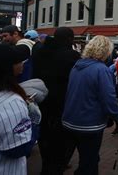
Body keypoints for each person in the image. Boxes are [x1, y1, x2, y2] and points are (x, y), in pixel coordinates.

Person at [62, 35, 118, 175]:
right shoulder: (101, 70)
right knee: (90, 161)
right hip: (89, 123)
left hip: (70, 119)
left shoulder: (77, 66)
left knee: (78, 158)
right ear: (105, 51)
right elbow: (109, 99)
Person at [0, 44, 39, 175]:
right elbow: (19, 148)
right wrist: (34, 122)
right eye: (17, 61)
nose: (22, 64)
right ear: (4, 67)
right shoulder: (9, 102)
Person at [32, 27, 81, 175]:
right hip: (62, 105)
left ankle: (47, 166)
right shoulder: (71, 56)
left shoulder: (40, 51)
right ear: (69, 39)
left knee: (45, 140)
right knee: (61, 145)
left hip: (42, 101)